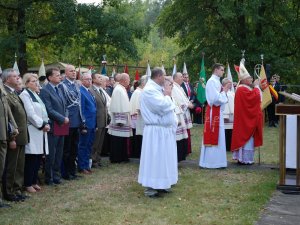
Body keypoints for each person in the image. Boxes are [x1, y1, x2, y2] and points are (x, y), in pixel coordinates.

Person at [138, 67, 178, 197]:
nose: (166, 78)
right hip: (156, 130)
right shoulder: (149, 90)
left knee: (165, 158)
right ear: (159, 76)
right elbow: (162, 106)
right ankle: (151, 187)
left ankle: (163, 183)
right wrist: (167, 94)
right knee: (155, 158)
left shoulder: (157, 89)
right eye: (165, 76)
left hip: (164, 130)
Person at [19, 73, 50, 193]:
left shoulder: (36, 94)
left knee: (38, 157)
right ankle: (27, 183)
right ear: (26, 83)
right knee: (31, 157)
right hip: (33, 129)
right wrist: (42, 124)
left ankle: (33, 181)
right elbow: (30, 114)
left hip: (41, 130)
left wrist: (46, 123)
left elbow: (42, 110)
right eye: (33, 81)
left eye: (37, 80)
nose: (36, 82)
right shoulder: (25, 95)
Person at [2, 68, 29, 202]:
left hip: (21, 135)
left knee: (19, 165)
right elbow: (8, 118)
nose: (18, 78)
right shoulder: (5, 94)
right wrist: (11, 137)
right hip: (14, 137)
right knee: (12, 166)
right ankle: (9, 191)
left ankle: (17, 189)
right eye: (15, 76)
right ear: (7, 79)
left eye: (18, 76)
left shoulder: (13, 93)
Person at [40, 67, 69, 185]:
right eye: (57, 75)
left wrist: (65, 117)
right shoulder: (45, 91)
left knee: (59, 152)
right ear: (49, 77)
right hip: (53, 125)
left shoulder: (60, 89)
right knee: (51, 153)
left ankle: (57, 176)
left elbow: (65, 105)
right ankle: (49, 177)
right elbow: (48, 109)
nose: (60, 77)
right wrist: (62, 118)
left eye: (59, 75)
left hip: (62, 125)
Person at [199, 63, 231, 169]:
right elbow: (214, 99)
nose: (223, 72)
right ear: (216, 70)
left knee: (219, 135)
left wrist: (223, 94)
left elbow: (220, 98)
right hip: (214, 112)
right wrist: (224, 92)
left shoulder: (216, 81)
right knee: (213, 134)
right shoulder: (211, 81)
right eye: (221, 70)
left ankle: (218, 161)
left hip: (218, 112)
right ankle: (211, 162)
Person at [231, 62, 263, 165]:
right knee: (245, 137)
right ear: (244, 80)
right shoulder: (242, 89)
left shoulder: (244, 88)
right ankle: (244, 159)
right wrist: (257, 87)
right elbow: (254, 98)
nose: (251, 80)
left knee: (247, 138)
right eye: (249, 78)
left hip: (244, 117)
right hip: (245, 119)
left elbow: (253, 98)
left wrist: (256, 88)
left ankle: (243, 158)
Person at [59, 64, 82, 180]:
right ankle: (65, 172)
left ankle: (72, 171)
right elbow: (63, 104)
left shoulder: (76, 86)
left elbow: (79, 104)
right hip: (68, 121)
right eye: (71, 71)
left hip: (77, 120)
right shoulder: (63, 86)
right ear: (66, 73)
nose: (74, 73)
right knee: (66, 149)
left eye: (74, 71)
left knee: (74, 148)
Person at [0, 83, 18, 208]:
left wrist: (13, 128)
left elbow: (7, 114)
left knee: (1, 169)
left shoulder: (2, 93)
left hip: (3, 137)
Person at [108, 73, 132, 163]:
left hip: (123, 119)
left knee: (121, 140)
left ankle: (122, 156)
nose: (129, 81)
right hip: (120, 120)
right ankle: (116, 158)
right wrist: (120, 119)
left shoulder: (121, 89)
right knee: (117, 140)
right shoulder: (118, 90)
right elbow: (117, 105)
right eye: (129, 79)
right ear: (124, 80)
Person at [78, 73, 97, 174]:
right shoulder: (81, 92)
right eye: (87, 79)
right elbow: (81, 109)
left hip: (92, 123)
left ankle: (87, 165)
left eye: (90, 79)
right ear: (81, 80)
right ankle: (82, 166)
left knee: (89, 145)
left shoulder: (89, 91)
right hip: (86, 124)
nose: (89, 81)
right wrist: (83, 124)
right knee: (83, 145)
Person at [90, 73, 108, 168]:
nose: (101, 79)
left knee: (100, 142)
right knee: (95, 142)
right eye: (99, 77)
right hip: (96, 120)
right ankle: (93, 160)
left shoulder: (101, 90)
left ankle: (98, 158)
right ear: (93, 79)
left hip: (103, 120)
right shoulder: (91, 90)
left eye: (101, 77)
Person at [173, 72, 193, 156]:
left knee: (185, 132)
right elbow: (177, 101)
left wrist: (189, 103)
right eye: (181, 77)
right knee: (181, 133)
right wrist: (188, 105)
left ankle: (186, 150)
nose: (183, 78)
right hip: (180, 113)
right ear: (175, 78)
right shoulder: (174, 87)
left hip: (184, 112)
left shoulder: (179, 87)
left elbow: (184, 98)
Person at [129, 75, 147, 158]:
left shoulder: (139, 92)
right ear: (143, 83)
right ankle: (136, 153)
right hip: (136, 117)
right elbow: (137, 107)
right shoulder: (138, 92)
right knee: (137, 136)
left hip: (138, 117)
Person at [222, 78, 235, 151]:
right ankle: (225, 146)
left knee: (231, 131)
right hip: (224, 114)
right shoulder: (221, 92)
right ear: (224, 84)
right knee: (225, 131)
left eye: (230, 83)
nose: (230, 84)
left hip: (232, 115)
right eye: (228, 83)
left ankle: (230, 146)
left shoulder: (232, 93)